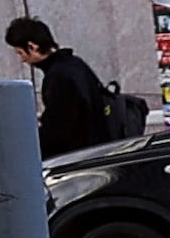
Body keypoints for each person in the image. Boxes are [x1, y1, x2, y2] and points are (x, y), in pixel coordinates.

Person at [8, 16, 136, 155]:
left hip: (80, 156)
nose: (22, 60)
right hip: (98, 148)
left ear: (32, 46)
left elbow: (58, 128)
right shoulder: (74, 64)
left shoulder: (58, 77)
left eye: (20, 52)